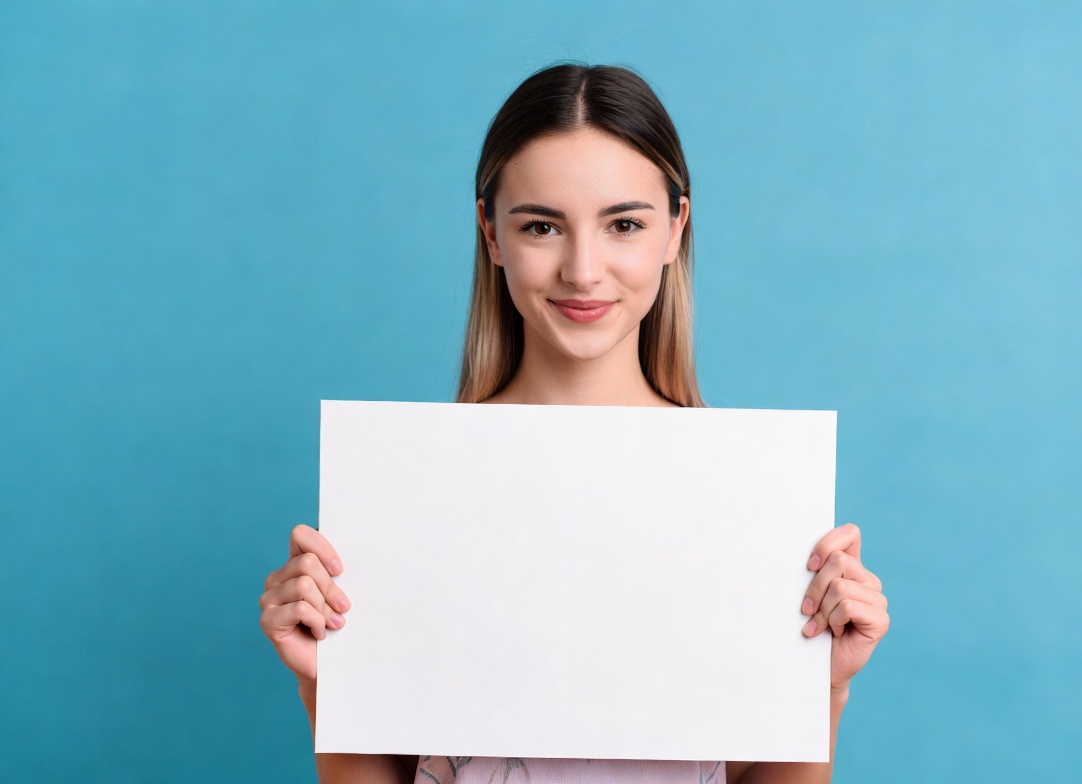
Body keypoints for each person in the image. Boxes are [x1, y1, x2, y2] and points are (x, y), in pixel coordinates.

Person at [259, 63, 890, 784]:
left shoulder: (747, 496)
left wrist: (825, 688)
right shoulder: (410, 489)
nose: (583, 271)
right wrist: (323, 683)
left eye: (624, 223)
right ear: (491, 233)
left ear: (675, 230)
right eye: (541, 226)